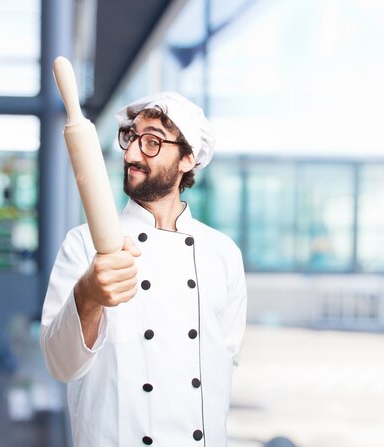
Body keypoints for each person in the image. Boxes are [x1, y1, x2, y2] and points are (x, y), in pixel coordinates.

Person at [40, 91, 247, 446]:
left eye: (151, 142)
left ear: (187, 158)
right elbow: (61, 365)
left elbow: (222, 367)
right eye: (130, 137)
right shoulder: (83, 244)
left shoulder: (223, 254)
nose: (132, 153)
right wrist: (88, 295)